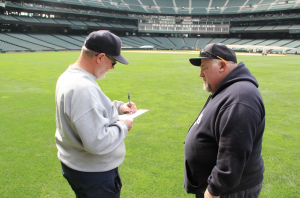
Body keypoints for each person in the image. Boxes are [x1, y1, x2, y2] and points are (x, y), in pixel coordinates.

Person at [55, 30, 137, 198]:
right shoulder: (83, 88)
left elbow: (92, 111)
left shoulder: (70, 76)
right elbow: (97, 142)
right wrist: (124, 125)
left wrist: (119, 108)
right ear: (100, 57)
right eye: (113, 62)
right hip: (94, 174)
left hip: (79, 167)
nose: (113, 68)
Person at [184, 43, 265, 198]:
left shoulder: (240, 97)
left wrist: (214, 190)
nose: (200, 74)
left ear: (221, 66)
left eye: (204, 68)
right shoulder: (228, 89)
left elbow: (233, 153)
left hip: (228, 192)